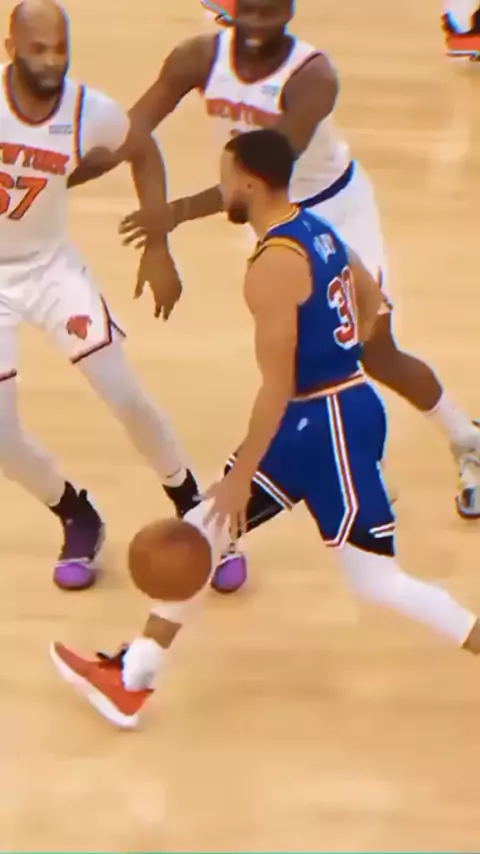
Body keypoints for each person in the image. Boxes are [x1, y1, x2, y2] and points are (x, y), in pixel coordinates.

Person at [50, 130, 480, 730]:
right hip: (326, 413)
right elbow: (373, 299)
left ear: (249, 183)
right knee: (206, 529)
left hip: (322, 424)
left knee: (377, 582)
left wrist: (241, 475)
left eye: (226, 177)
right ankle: (133, 676)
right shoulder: (318, 229)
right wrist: (341, 356)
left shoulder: (273, 265)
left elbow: (276, 386)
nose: (222, 187)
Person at [71, 0, 480, 596]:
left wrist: (175, 214)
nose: (262, 13)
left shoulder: (313, 76)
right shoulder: (197, 57)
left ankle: (467, 439)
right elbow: (130, 133)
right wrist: (55, 176)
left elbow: (269, 171)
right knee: (292, 361)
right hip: (271, 218)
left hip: (332, 212)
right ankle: (342, 472)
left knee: (373, 350)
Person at [0, 0, 212, 590]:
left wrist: (158, 245)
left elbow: (143, 150)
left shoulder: (88, 110)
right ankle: (77, 515)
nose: (52, 60)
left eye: (60, 48)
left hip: (51, 271)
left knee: (124, 394)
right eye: (38, 49)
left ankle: (192, 503)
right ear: (11, 50)